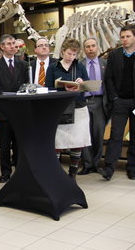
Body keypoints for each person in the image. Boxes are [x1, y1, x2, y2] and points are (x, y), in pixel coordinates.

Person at [46, 38, 91, 179]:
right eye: (69, 53)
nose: (71, 57)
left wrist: (81, 84)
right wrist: (62, 87)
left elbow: (87, 88)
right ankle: (58, 175)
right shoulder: (53, 68)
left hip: (78, 107)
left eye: (74, 54)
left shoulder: (80, 67)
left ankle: (73, 175)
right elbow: (48, 88)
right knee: (57, 142)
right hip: (59, 109)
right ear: (63, 51)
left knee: (77, 142)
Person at [0, 34, 29, 182]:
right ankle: (5, 172)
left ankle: (19, 170)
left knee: (19, 143)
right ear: (2, 47)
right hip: (4, 111)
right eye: (9, 44)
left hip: (20, 110)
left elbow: (25, 86)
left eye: (14, 43)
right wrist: (14, 94)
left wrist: (15, 94)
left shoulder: (23, 65)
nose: (13, 46)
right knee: (4, 144)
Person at [100, 25, 135, 181]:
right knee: (116, 135)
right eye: (122, 37)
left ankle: (132, 167)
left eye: (127, 36)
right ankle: (109, 168)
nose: (124, 39)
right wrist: (114, 98)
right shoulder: (114, 56)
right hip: (119, 101)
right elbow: (109, 78)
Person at [79, 38, 108, 175]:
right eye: (87, 47)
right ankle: (87, 164)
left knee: (98, 134)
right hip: (84, 102)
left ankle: (96, 164)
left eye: (93, 46)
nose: (90, 49)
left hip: (99, 102)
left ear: (97, 47)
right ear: (84, 49)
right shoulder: (79, 65)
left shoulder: (105, 64)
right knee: (85, 134)